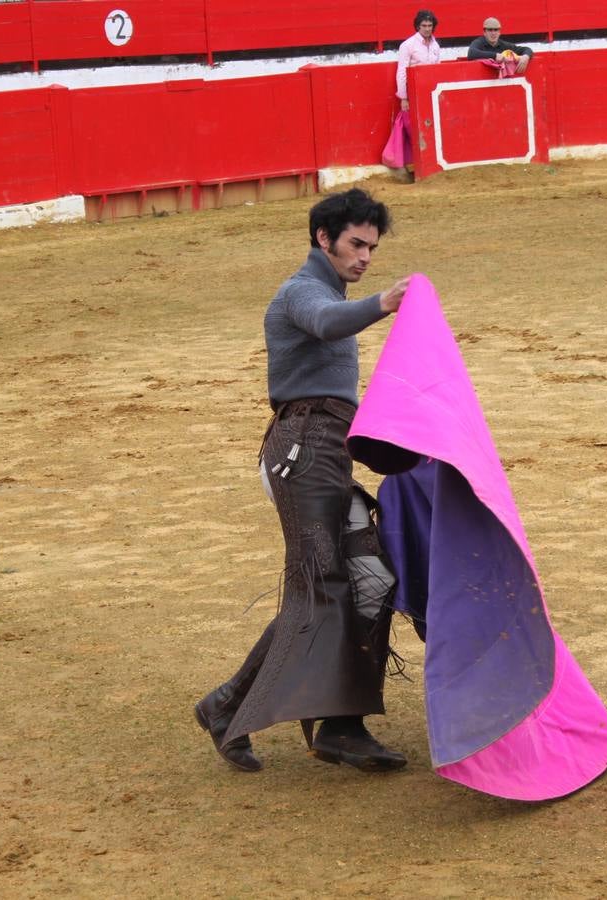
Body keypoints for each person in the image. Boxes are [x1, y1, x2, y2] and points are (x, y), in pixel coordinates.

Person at [194, 189, 412, 774]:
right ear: (324, 238)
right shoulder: (301, 294)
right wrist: (383, 304)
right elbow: (326, 320)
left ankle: (343, 728)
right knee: (318, 588)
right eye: (355, 244)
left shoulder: (333, 294)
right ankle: (227, 705)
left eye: (372, 246)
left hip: (328, 450)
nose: (365, 256)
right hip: (301, 450)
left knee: (370, 580)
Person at [396, 9, 441, 112]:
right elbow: (402, 72)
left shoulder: (435, 45)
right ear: (418, 26)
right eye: (424, 25)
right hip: (414, 90)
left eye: (430, 25)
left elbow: (438, 69)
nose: (427, 29)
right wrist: (404, 98)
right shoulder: (407, 45)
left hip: (433, 90)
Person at [466, 16, 532, 76]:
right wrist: (495, 56)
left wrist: (526, 56)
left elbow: (526, 49)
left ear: (499, 32)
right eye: (490, 30)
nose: (493, 33)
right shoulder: (479, 42)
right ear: (484, 32)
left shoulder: (503, 45)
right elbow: (471, 53)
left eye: (496, 30)